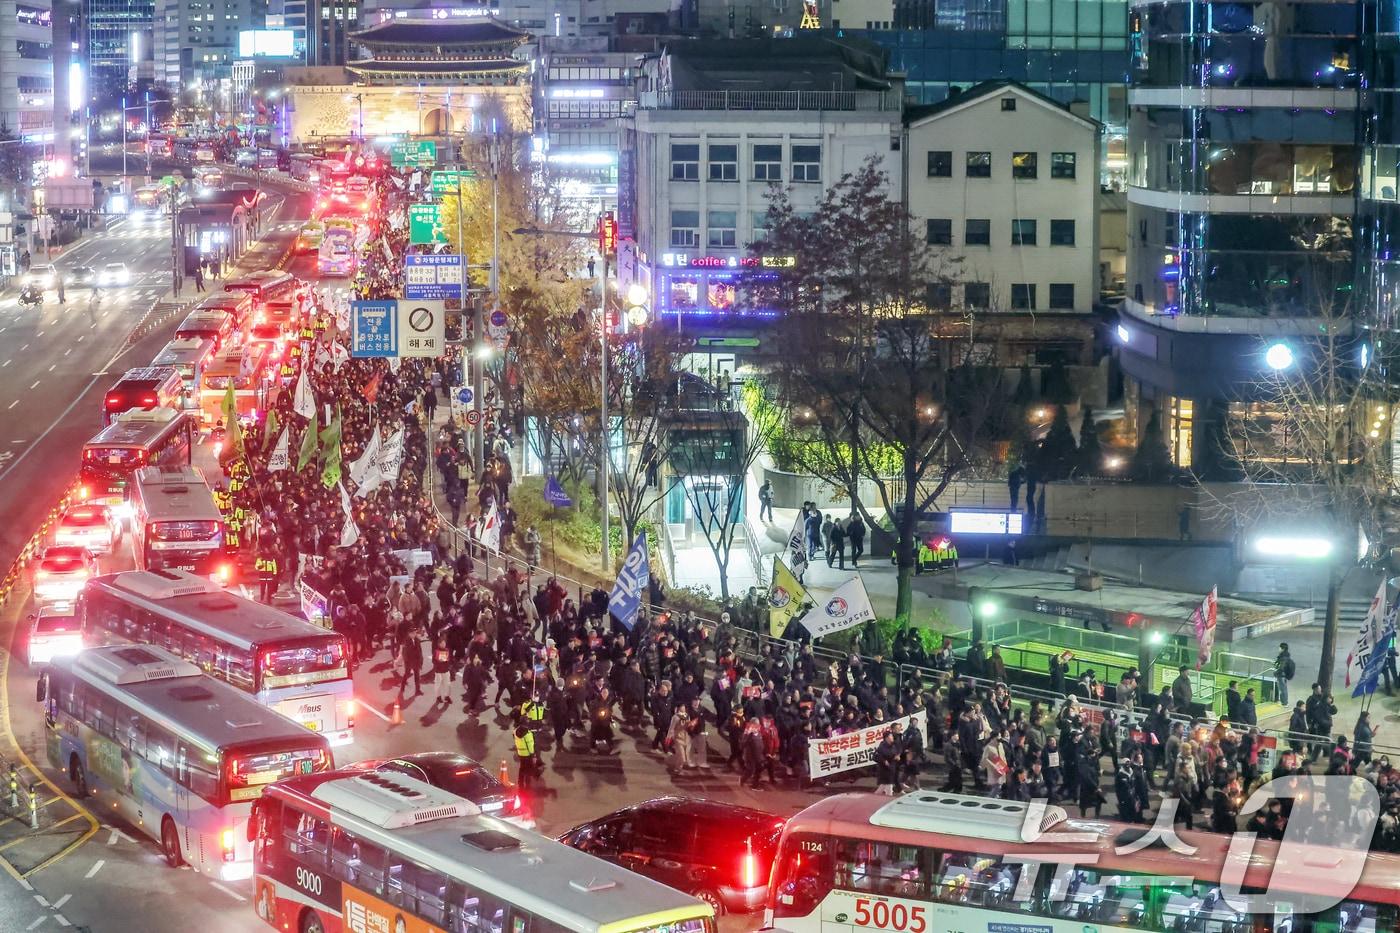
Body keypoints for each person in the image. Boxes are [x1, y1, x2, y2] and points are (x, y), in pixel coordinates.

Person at [513, 724, 539, 792]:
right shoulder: (528, 735)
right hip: (527, 755)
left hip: (521, 753)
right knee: (528, 770)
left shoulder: (515, 731)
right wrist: (533, 755)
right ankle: (527, 786)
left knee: (522, 768)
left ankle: (520, 784)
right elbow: (530, 746)